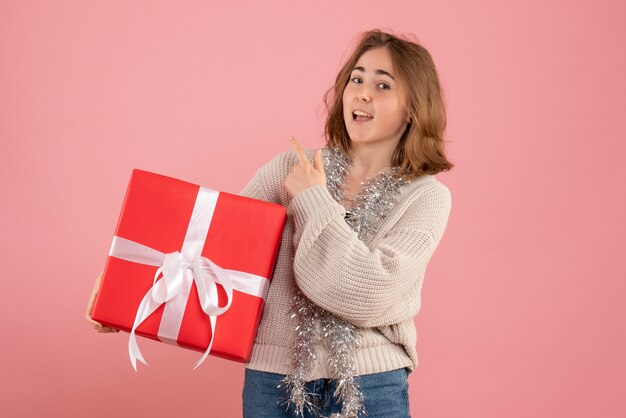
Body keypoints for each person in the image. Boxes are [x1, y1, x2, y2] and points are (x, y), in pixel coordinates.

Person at [86, 29, 453, 418]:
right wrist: (116, 289)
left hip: (372, 384)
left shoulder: (426, 197)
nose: (362, 93)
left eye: (382, 85)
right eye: (356, 79)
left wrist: (312, 198)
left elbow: (368, 295)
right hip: (274, 382)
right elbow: (215, 247)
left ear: (413, 108)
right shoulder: (288, 168)